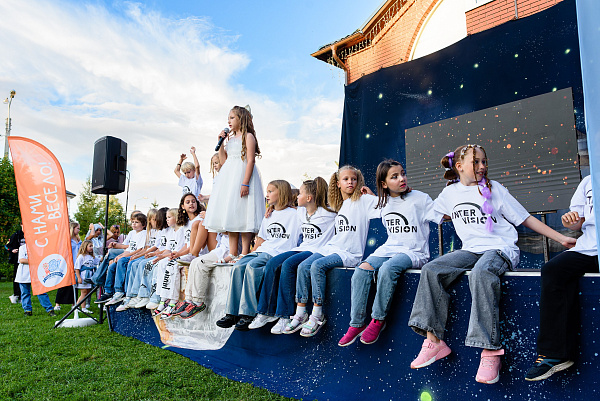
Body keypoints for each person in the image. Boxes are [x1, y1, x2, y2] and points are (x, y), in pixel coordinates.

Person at [407, 144, 576, 384]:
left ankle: (490, 350)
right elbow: (431, 214)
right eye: (476, 162)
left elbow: (525, 218)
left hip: (499, 247)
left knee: (481, 272)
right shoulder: (449, 194)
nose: (482, 166)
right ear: (459, 166)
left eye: (484, 161)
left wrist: (560, 238)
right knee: (431, 269)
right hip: (470, 249)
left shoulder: (494, 188)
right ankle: (434, 341)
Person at [338, 159, 439, 346]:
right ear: (384, 184)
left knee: (387, 269)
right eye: (395, 176)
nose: (402, 178)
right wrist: (370, 194)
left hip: (413, 251)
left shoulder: (420, 198)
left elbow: (442, 215)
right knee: (361, 270)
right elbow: (364, 205)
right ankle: (357, 323)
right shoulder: (382, 202)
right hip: (390, 248)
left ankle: (378, 320)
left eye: (403, 174)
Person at [289, 166, 377, 337]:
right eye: (346, 179)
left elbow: (386, 206)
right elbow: (308, 208)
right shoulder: (338, 205)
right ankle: (300, 312)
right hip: (332, 247)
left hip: (349, 253)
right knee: (303, 266)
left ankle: (317, 314)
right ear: (337, 183)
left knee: (317, 266)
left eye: (354, 179)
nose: (350, 182)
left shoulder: (364, 200)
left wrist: (373, 195)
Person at [525, 175, 596, 381]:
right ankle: (554, 355)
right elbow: (577, 223)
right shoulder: (589, 180)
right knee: (553, 270)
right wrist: (570, 221)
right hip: (590, 248)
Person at [249, 177, 335, 334]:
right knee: (273, 263)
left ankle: (285, 315)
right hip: (302, 248)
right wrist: (272, 208)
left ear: (309, 198)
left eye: (301, 194)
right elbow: (289, 197)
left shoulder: (329, 213)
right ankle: (265, 311)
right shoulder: (300, 212)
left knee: (288, 265)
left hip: (318, 251)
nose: (297, 196)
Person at [215, 180, 301, 331]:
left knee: (253, 266)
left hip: (277, 252)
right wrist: (250, 253)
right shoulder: (269, 214)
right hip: (263, 250)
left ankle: (248, 313)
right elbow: (261, 239)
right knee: (238, 266)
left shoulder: (296, 214)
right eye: (267, 191)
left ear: (281, 193)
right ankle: (232, 313)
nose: (267, 195)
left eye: (270, 191)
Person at [203, 105, 265, 260]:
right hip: (230, 178)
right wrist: (221, 144)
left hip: (242, 176)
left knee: (244, 211)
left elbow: (250, 161)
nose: (229, 121)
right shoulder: (230, 139)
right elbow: (224, 161)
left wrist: (245, 183)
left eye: (232, 118)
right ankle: (232, 252)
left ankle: (244, 251)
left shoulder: (248, 137)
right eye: (228, 118)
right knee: (231, 212)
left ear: (241, 119)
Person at [155, 193, 202, 318]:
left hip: (198, 253)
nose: (191, 204)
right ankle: (163, 299)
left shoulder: (199, 220)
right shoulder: (186, 223)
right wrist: (177, 253)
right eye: (188, 202)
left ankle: (173, 301)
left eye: (193, 201)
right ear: (182, 206)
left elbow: (194, 246)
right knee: (164, 263)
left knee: (172, 264)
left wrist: (179, 255)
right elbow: (187, 244)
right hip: (188, 252)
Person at [118, 207, 168, 310]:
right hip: (152, 253)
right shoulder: (151, 232)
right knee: (133, 263)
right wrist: (139, 255)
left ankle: (144, 295)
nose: (154, 222)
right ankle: (130, 294)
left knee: (142, 264)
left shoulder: (162, 231)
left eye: (156, 219)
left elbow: (159, 247)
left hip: (158, 254)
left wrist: (153, 253)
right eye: (152, 219)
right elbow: (147, 247)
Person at [95, 213, 147, 304]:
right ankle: (108, 291)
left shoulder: (144, 234)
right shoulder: (132, 233)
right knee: (112, 266)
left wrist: (123, 256)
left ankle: (119, 290)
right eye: (133, 222)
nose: (134, 224)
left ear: (143, 224)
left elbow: (139, 249)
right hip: (128, 253)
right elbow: (128, 248)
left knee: (122, 261)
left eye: (137, 222)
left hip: (135, 255)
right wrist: (120, 255)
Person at [15, 239, 56, 316]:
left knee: (41, 292)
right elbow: (22, 260)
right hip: (23, 275)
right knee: (25, 293)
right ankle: (27, 310)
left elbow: (42, 259)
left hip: (36, 274)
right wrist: (35, 261)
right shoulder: (22, 248)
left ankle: (49, 309)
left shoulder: (39, 247)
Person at [54, 221, 81, 311]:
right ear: (73, 228)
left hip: (76, 264)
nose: (79, 230)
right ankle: (57, 304)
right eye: (77, 228)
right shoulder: (67, 240)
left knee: (74, 284)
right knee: (63, 283)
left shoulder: (78, 240)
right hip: (67, 264)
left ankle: (74, 303)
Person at [74, 240, 99, 314]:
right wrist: (79, 277)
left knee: (87, 292)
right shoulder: (81, 257)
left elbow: (99, 260)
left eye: (92, 246)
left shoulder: (91, 257)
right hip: (83, 276)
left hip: (89, 276)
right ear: (85, 247)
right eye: (90, 246)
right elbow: (77, 268)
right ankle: (83, 308)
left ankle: (77, 306)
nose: (92, 248)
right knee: (84, 292)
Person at [6, 222, 24, 304]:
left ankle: (22, 296)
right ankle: (16, 295)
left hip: (28, 260)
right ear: (21, 225)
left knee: (25, 279)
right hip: (18, 260)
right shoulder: (16, 235)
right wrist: (12, 250)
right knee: (17, 278)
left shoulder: (30, 235)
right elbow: (7, 246)